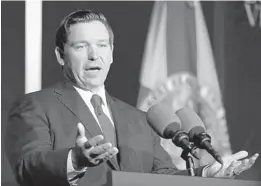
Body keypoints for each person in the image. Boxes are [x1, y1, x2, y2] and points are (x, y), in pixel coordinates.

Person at [5, 9, 259, 186]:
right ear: (61, 55)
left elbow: (161, 178)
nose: (94, 55)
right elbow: (27, 167)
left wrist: (207, 173)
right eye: (81, 46)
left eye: (102, 45)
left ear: (112, 52)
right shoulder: (35, 106)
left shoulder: (139, 119)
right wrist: (75, 159)